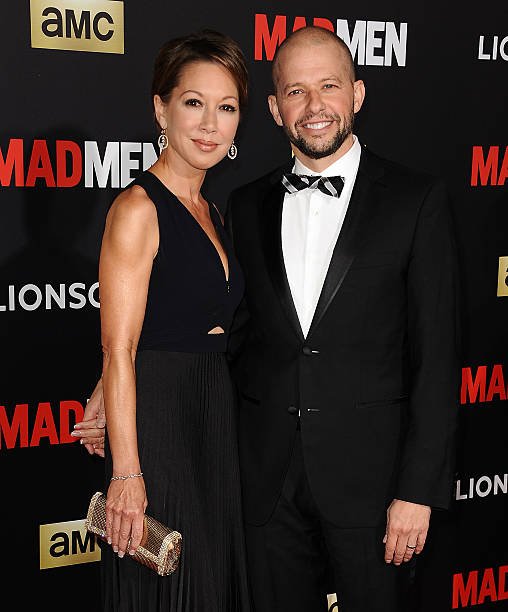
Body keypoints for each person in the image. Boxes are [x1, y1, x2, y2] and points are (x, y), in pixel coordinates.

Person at [76, 26, 460, 612]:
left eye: (328, 86)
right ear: (277, 110)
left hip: (368, 487)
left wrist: (418, 491)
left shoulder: (415, 200)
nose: (314, 107)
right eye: (296, 92)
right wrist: (115, 393)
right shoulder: (246, 204)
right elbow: (154, 333)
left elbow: (437, 358)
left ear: (357, 94)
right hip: (256, 478)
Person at [76, 29, 251, 612]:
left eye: (225, 108)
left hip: (213, 418)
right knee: (170, 590)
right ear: (161, 107)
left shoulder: (212, 210)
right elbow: (120, 350)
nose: (209, 123)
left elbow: (170, 317)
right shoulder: (137, 208)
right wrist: (127, 474)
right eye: (193, 102)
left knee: (211, 585)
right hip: (163, 427)